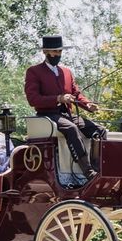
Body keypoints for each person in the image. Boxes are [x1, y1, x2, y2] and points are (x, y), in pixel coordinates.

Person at [24, 35, 106, 182]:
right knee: (71, 128)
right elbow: (33, 99)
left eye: (60, 51)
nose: (58, 55)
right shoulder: (34, 71)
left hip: (67, 114)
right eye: (55, 51)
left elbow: (76, 94)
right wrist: (58, 98)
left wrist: (88, 105)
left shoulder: (66, 72)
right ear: (45, 52)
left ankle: (99, 167)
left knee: (100, 131)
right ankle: (87, 171)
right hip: (48, 115)